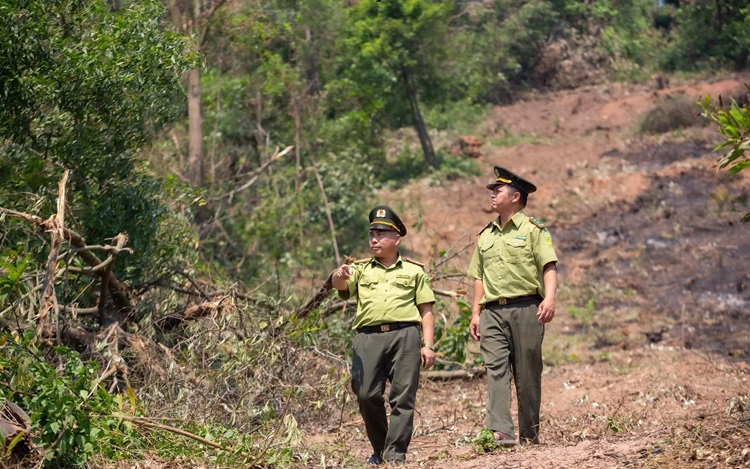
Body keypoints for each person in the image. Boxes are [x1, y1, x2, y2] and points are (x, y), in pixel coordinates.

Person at [331, 205, 436, 465]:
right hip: (368, 338)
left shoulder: (414, 271)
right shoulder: (360, 269)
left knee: (402, 398)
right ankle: (380, 447)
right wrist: (338, 274)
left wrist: (428, 345)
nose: (374, 239)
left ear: (397, 238)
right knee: (366, 394)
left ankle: (394, 455)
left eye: (381, 234)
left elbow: (426, 310)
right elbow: (340, 285)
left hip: (405, 337)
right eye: (371, 234)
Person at [466, 166, 558, 446]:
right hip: (492, 312)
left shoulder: (533, 231)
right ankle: (501, 430)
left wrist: (549, 298)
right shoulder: (486, 235)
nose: (492, 194)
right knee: (496, 369)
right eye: (492, 190)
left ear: (516, 196)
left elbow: (549, 267)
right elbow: (478, 276)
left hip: (527, 309)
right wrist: (475, 312)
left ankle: (530, 433)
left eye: (498, 190)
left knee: (527, 372)